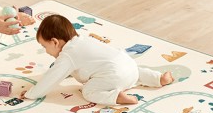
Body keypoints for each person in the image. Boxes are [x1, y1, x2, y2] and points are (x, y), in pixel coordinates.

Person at [20, 14, 174, 105]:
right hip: (129, 65)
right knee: (135, 72)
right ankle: (158, 78)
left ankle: (116, 97)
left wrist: (31, 94)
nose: (46, 51)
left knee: (88, 91)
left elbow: (51, 78)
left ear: (54, 42)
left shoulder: (68, 55)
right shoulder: (83, 40)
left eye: (44, 46)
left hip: (115, 76)